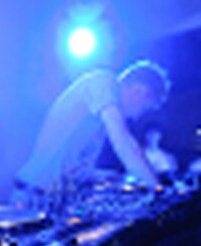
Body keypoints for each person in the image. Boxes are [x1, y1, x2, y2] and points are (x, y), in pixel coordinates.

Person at [13, 60, 171, 208]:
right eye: (144, 108)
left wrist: (99, 176)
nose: (137, 117)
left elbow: (69, 164)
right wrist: (158, 190)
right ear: (140, 92)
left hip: (48, 198)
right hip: (34, 198)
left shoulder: (99, 114)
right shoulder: (103, 81)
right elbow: (124, 144)